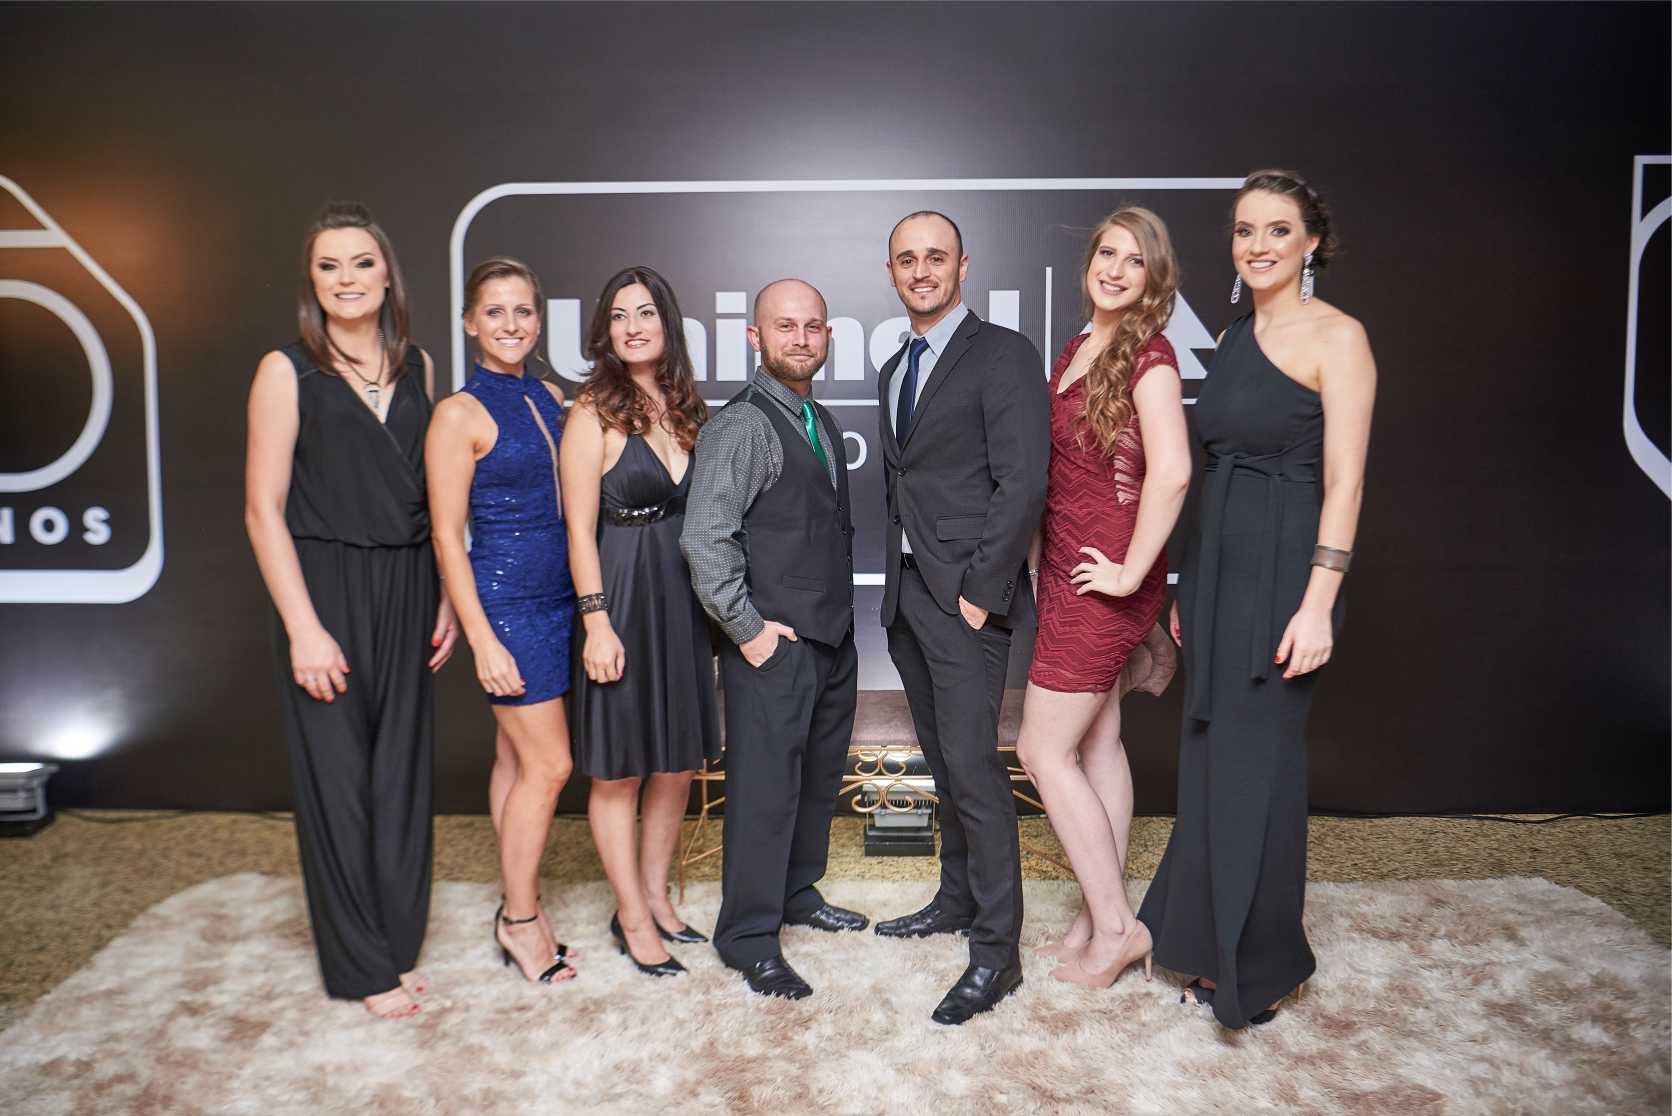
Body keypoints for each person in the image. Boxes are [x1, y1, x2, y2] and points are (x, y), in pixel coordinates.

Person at [1138, 170, 1377, 1028]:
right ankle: (1205, 943)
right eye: (1245, 231)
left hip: (1286, 578)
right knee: (1210, 757)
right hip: (1216, 576)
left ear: (1311, 242)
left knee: (1261, 768)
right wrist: (1187, 584)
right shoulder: (1235, 334)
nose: (1258, 245)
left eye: (1278, 230)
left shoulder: (1338, 337)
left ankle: (1263, 964)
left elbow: (1345, 484)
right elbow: (1214, 472)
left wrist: (1318, 604)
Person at [245, 202, 456, 1020]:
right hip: (323, 589)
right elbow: (263, 511)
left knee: (400, 773)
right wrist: (303, 628)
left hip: (409, 585)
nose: (347, 279)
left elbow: (436, 500)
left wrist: (447, 594)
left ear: (387, 274)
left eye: (362, 262)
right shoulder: (284, 371)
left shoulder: (421, 367)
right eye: (329, 266)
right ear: (312, 282)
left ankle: (396, 944)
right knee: (337, 783)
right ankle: (361, 966)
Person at [872, 211, 1051, 1025]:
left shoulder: (1003, 354)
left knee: (976, 774)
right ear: (891, 271)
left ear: (963, 266)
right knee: (945, 767)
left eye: (935, 257)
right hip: (908, 598)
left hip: (967, 601)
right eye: (907, 259)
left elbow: (1024, 482)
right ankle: (955, 900)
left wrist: (982, 591)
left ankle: (997, 953)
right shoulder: (894, 365)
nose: (921, 270)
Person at [1017, 207, 1191, 989]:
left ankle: (1120, 926)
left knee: (1041, 751)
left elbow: (1173, 471)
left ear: (1155, 278)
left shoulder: (1151, 356)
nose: (1116, 270)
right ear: (1089, 261)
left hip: (1104, 581)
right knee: (1099, 743)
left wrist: (1128, 574)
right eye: (1107, 253)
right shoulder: (1080, 347)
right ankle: (1098, 915)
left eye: (1135, 260)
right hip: (1067, 572)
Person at [681, 278, 866, 1001]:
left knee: (816, 781)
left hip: (831, 640)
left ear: (828, 337)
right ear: (755, 337)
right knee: (764, 794)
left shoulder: (819, 417)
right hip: (774, 646)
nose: (801, 338)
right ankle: (748, 937)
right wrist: (749, 633)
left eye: (813, 326)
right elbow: (704, 539)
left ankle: (796, 894)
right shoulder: (742, 426)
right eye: (785, 326)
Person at [561, 266, 720, 977]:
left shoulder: (687, 407)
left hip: (681, 601)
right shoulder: (591, 412)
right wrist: (596, 622)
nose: (633, 327)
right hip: (621, 597)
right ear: (605, 330)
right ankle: (629, 914)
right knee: (620, 770)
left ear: (666, 324)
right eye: (620, 315)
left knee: (677, 762)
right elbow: (576, 529)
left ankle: (656, 897)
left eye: (646, 313)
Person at [427, 257, 580, 987]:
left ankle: (519, 897)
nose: (511, 324)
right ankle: (519, 919)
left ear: (538, 320)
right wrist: (481, 636)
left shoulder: (547, 394)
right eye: (495, 311)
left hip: (560, 597)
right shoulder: (457, 413)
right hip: (508, 605)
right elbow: (444, 534)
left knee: (516, 762)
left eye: (523, 311)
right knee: (550, 766)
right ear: (469, 322)